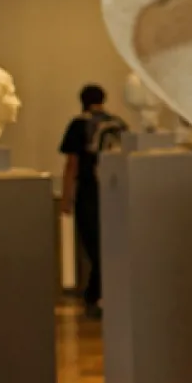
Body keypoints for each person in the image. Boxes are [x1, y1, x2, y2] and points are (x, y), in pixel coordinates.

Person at [59, 84, 128, 319]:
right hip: (116, 192)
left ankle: (94, 295)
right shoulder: (118, 124)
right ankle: (100, 294)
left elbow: (72, 164)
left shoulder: (79, 125)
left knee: (94, 246)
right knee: (110, 245)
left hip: (89, 193)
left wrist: (66, 198)